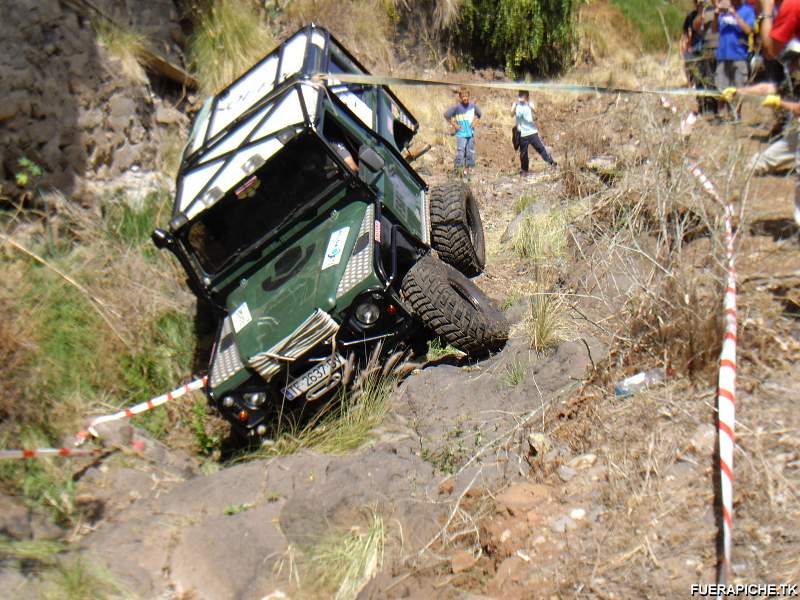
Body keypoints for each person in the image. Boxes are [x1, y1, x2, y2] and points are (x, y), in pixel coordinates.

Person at [752, 0, 800, 225]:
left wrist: (767, 12)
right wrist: (739, 93)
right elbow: (771, 88)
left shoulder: (792, 5)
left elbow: (770, 49)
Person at [714, 0, 756, 119]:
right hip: (722, 55)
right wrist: (716, 14)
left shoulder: (747, 10)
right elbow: (714, 29)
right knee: (721, 87)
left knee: (739, 88)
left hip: (739, 55)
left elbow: (749, 30)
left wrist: (735, 14)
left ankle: (736, 115)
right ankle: (721, 116)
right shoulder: (723, 11)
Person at [511, 91, 556, 175]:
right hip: (522, 133)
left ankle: (552, 163)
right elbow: (511, 114)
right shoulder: (515, 105)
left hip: (532, 132)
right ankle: (525, 171)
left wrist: (528, 104)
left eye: (523, 96)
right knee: (523, 154)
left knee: (541, 149)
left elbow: (536, 111)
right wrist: (515, 106)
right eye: (520, 96)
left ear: (527, 97)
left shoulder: (529, 104)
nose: (521, 97)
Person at [444, 89, 481, 177]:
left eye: (466, 96)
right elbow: (446, 115)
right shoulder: (457, 107)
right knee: (460, 152)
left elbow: (479, 115)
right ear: (460, 97)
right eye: (463, 97)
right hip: (461, 134)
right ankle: (458, 170)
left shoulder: (473, 106)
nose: (465, 98)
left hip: (470, 134)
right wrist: (454, 125)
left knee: (469, 152)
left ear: (469, 96)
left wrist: (475, 122)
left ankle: (467, 171)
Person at [694, 0, 722, 114]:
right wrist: (701, 14)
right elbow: (695, 26)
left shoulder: (727, 5)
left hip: (724, 49)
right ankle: (709, 110)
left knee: (722, 81)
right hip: (707, 48)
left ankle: (726, 111)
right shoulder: (705, 8)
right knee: (708, 79)